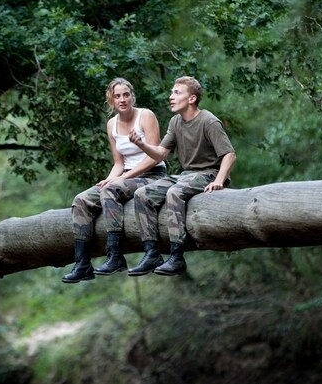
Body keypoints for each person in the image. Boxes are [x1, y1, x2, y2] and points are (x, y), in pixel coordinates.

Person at [127, 76, 236, 276]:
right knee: (142, 194)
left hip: (207, 173)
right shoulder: (175, 121)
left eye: (177, 93)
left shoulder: (208, 121)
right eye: (171, 92)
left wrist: (219, 180)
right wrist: (141, 144)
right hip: (185, 175)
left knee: (174, 193)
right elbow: (160, 153)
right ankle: (152, 253)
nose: (171, 97)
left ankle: (177, 256)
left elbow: (229, 154)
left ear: (192, 98)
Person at [62, 78, 166, 284]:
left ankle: (115, 255)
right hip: (124, 175)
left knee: (111, 190)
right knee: (82, 199)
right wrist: (109, 179)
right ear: (111, 100)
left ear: (132, 95)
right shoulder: (111, 124)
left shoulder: (145, 116)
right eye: (117, 96)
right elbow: (119, 162)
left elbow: (155, 156)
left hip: (151, 175)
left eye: (126, 94)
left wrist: (121, 179)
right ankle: (82, 264)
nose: (122, 99)